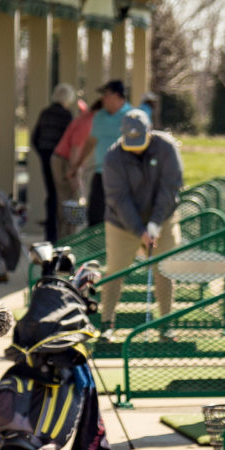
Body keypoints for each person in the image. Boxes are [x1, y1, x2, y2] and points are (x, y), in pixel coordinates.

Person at [98, 109, 183, 329]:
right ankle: (106, 324)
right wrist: (140, 230)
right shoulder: (113, 157)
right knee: (115, 271)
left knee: (164, 269)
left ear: (149, 131)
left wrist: (154, 224)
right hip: (121, 223)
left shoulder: (166, 148)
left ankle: (165, 325)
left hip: (163, 217)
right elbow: (119, 199)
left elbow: (169, 189)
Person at [30, 84, 77, 243]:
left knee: (52, 195)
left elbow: (35, 138)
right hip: (61, 160)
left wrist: (44, 153)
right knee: (66, 196)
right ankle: (66, 235)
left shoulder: (45, 113)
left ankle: (51, 235)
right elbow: (71, 142)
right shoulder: (66, 115)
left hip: (46, 155)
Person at [86, 81, 131, 228]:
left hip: (123, 175)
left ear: (118, 96)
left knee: (121, 218)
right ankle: (96, 250)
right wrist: (76, 166)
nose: (102, 99)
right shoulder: (98, 117)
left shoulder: (132, 116)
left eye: (106, 95)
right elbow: (91, 142)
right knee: (94, 216)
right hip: (101, 174)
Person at [50, 97, 94, 237]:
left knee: (70, 202)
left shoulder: (86, 120)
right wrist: (75, 173)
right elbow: (75, 149)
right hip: (65, 162)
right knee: (72, 201)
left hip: (65, 160)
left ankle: (69, 237)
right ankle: (69, 239)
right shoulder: (87, 123)